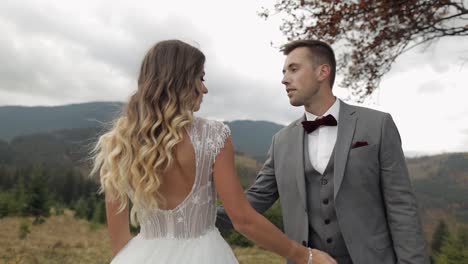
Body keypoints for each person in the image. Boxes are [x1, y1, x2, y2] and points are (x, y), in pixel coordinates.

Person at [91, 39, 313, 264]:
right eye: (201, 78)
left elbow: (119, 242)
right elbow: (243, 220)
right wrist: (304, 255)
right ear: (182, 81)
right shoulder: (213, 135)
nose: (204, 88)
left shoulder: (119, 144)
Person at [217, 39, 430, 264]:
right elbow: (255, 199)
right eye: (284, 71)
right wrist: (194, 217)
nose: (284, 79)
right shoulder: (281, 141)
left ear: (323, 72)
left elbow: (401, 206)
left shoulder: (377, 125)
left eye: (294, 69)